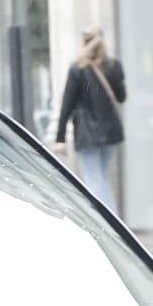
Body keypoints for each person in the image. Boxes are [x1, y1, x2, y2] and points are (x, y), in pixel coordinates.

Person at [54, 29, 127, 210]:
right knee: (102, 176)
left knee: (93, 176)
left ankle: (103, 222)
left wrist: (60, 138)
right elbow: (121, 97)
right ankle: (114, 221)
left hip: (87, 133)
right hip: (111, 131)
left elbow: (67, 105)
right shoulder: (114, 66)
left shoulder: (77, 69)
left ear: (84, 43)